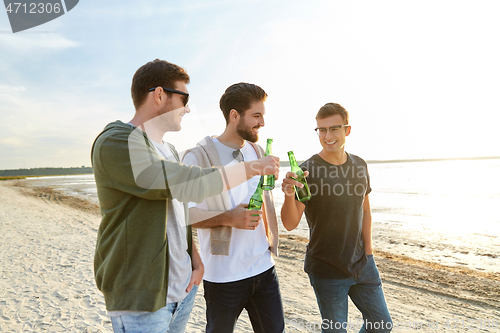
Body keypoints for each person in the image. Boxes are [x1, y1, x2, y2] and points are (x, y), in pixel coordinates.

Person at [91, 60, 279, 333]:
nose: (188, 108)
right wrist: (252, 168)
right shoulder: (118, 142)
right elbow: (186, 183)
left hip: (181, 289)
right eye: (184, 98)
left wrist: (194, 258)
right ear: (159, 95)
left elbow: (177, 212)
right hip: (143, 299)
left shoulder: (167, 148)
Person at [280, 103, 392, 333]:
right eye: (321, 130)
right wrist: (289, 194)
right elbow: (290, 224)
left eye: (334, 129)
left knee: (381, 325)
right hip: (327, 269)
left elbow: (365, 210)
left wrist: (368, 252)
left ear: (347, 130)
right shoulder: (307, 171)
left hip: (363, 265)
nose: (327, 136)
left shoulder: (360, 165)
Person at [182, 82, 285, 333]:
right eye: (256, 116)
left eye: (263, 115)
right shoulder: (197, 157)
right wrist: (229, 218)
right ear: (234, 116)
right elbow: (182, 214)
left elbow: (264, 197)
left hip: (264, 268)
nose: (262, 122)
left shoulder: (258, 150)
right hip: (223, 276)